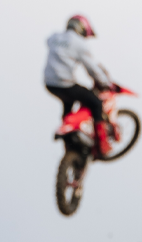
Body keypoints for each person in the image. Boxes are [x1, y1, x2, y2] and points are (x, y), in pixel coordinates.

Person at [43, 14, 114, 154]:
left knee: (68, 104)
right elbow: (92, 69)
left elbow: (49, 41)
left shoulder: (55, 38)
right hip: (65, 83)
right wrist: (105, 83)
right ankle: (102, 145)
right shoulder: (79, 44)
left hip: (50, 84)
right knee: (96, 103)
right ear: (81, 28)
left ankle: (69, 142)